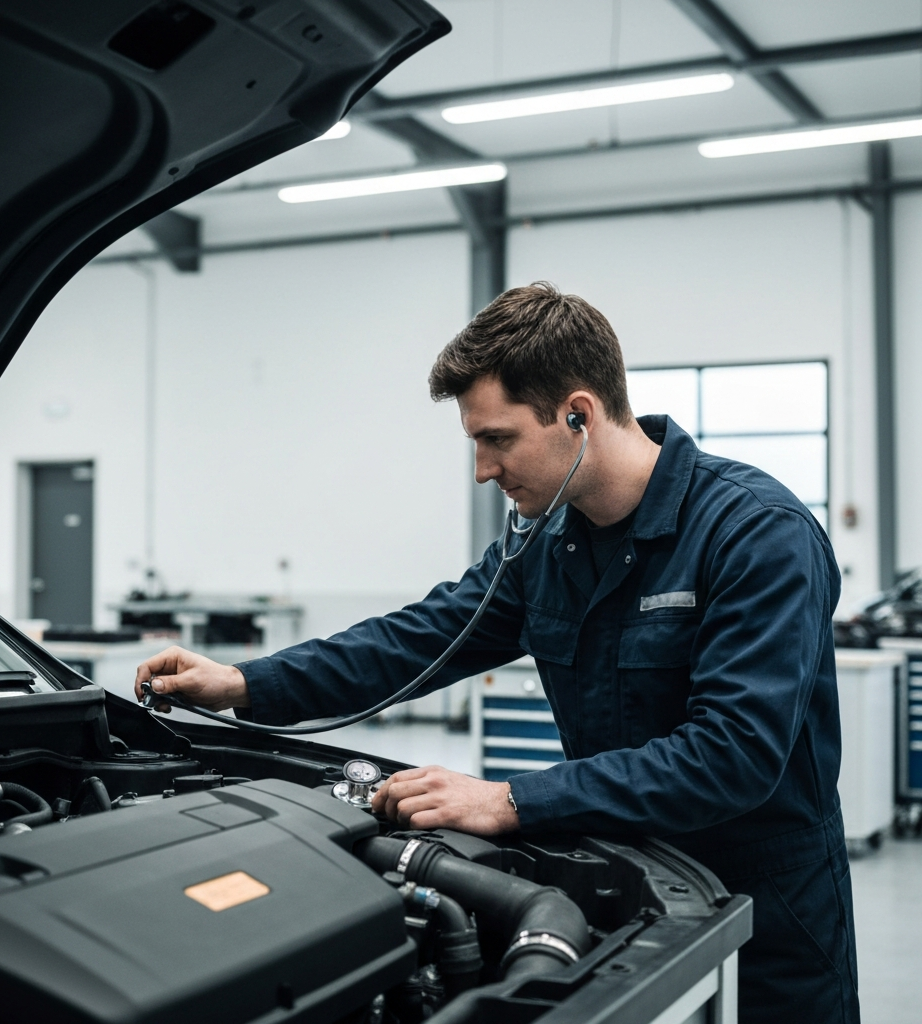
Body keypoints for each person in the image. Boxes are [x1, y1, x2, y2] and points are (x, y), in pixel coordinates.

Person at [135, 282, 858, 1023]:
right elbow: (415, 639)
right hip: (628, 882)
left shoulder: (756, 534)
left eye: (498, 439)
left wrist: (510, 800)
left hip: (767, 908)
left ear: (577, 414)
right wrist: (243, 683)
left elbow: (731, 755)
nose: (483, 469)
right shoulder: (547, 544)